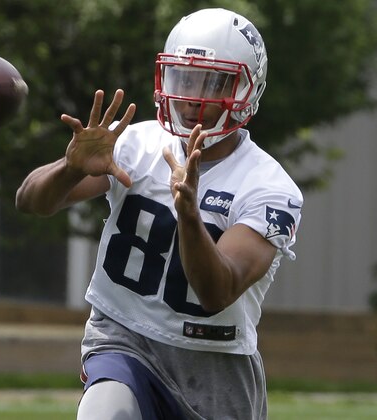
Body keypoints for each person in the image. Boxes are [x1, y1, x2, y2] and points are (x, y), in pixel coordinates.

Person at [16, 8, 303, 420]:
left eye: (213, 81)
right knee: (105, 413)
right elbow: (31, 202)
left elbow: (217, 292)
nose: (192, 95)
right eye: (184, 77)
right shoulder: (138, 143)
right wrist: (70, 168)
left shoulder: (269, 188)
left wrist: (189, 214)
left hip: (214, 361)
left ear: (247, 89)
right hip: (123, 338)